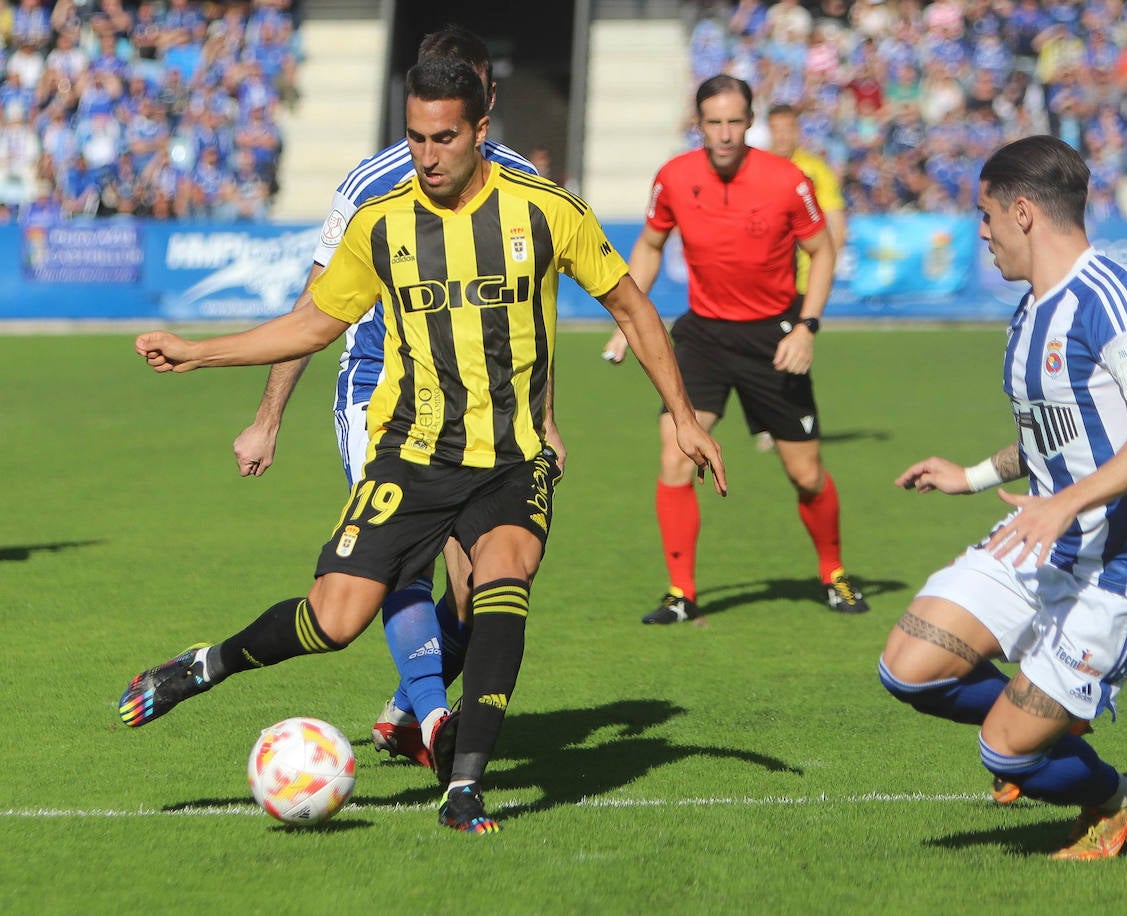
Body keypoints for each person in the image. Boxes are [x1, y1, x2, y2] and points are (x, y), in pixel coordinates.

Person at [118, 56, 727, 834]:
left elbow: (634, 310)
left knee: (502, 578)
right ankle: (207, 664)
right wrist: (200, 352)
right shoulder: (383, 223)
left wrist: (681, 413)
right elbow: (312, 324)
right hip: (412, 455)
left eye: (444, 137)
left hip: (510, 460)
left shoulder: (547, 213)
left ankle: (463, 785)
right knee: (333, 621)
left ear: (481, 129)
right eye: (415, 137)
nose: (427, 155)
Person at [231, 26, 542, 774]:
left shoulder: (520, 184)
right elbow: (316, 303)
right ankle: (436, 720)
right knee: (402, 564)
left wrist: (547, 421)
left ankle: (405, 712)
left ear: (483, 107)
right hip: (381, 390)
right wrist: (267, 417)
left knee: (478, 595)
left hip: (482, 411)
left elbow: (526, 323)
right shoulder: (371, 183)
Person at [879, 135, 1127, 860]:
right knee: (908, 666)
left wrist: (1064, 502)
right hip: (1043, 539)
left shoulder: (1114, 302)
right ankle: (1053, 719)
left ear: (1022, 212)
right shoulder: (1029, 311)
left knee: (1008, 756)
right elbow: (1054, 435)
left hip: (1122, 564)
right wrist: (972, 475)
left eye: (985, 216)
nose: (980, 233)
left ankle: (1117, 799)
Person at [602, 75, 867, 624]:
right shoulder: (674, 178)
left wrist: (807, 328)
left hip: (774, 336)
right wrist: (626, 316)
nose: (723, 134)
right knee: (676, 453)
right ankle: (680, 593)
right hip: (703, 335)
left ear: (751, 123)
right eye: (713, 122)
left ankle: (834, 574)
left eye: (734, 122)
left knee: (806, 474)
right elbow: (650, 246)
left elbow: (822, 252)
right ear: (698, 124)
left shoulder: (786, 180)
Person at [757, 101, 847, 453]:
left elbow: (834, 219)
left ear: (796, 130)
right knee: (765, 346)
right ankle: (777, 421)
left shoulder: (814, 169)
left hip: (803, 280)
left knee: (793, 346)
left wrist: (829, 260)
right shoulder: (758, 166)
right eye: (776, 129)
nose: (782, 136)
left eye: (788, 129)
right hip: (765, 277)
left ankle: (789, 424)